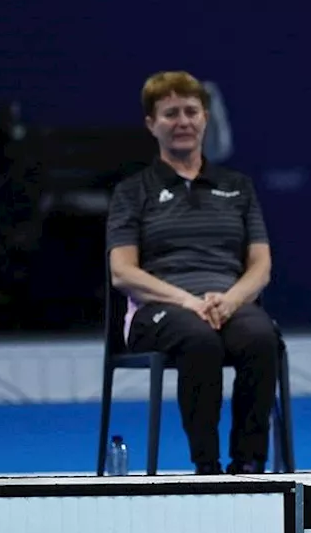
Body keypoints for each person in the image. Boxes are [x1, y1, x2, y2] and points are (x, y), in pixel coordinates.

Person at [106, 71, 278, 475]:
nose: (182, 121)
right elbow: (122, 272)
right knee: (199, 339)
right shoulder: (133, 191)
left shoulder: (237, 187)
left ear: (205, 118)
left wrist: (231, 299)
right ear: (152, 124)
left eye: (191, 111)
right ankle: (207, 466)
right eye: (170, 114)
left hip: (227, 303)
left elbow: (261, 265)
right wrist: (187, 301)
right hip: (159, 310)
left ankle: (249, 464)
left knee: (260, 337)